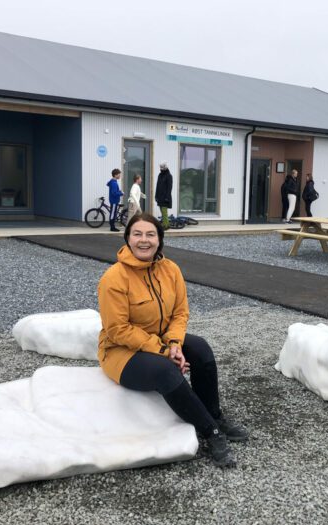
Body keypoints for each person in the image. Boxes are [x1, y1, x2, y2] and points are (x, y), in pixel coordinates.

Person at [97, 213, 248, 468]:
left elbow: (180, 313)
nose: (143, 240)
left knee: (200, 349)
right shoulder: (114, 278)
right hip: (121, 352)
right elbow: (118, 330)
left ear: (159, 240)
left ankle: (214, 413)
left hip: (162, 340)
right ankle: (210, 431)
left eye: (150, 234)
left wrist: (175, 344)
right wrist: (164, 351)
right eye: (137, 234)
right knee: (165, 371)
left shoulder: (171, 270)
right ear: (128, 239)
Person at [155, 162, 173, 229]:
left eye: (162, 168)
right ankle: (166, 224)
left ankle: (166, 225)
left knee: (164, 212)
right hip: (159, 197)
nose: (161, 169)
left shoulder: (169, 176)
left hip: (165, 198)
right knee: (162, 212)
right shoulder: (160, 175)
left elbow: (169, 188)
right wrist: (156, 196)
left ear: (165, 168)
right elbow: (157, 186)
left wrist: (167, 197)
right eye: (160, 168)